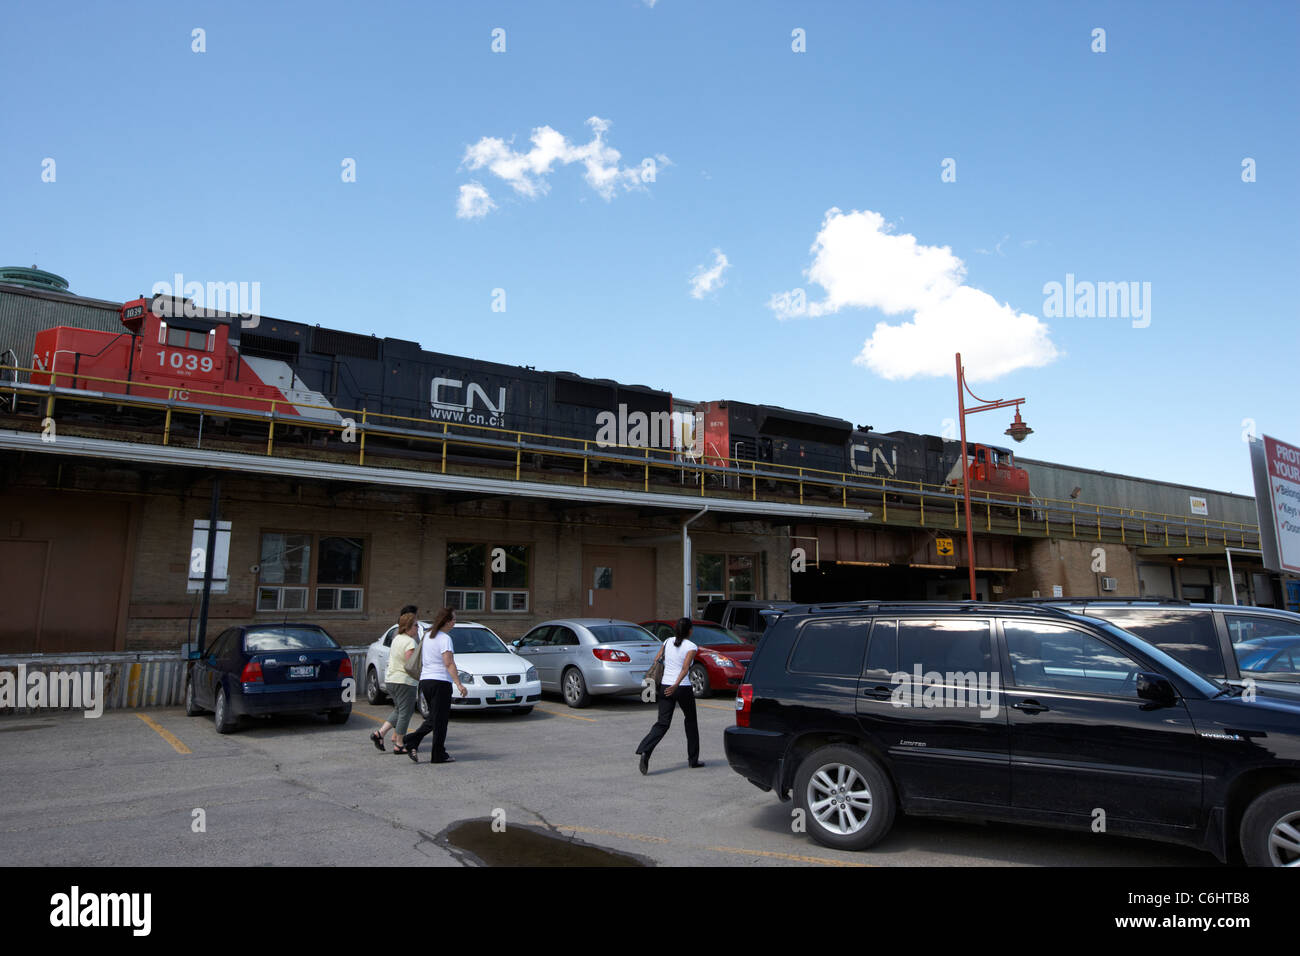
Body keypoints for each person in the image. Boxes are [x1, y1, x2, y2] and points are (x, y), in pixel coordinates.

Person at [635, 617, 703, 774]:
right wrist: (676, 685)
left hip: (665, 685)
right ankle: (693, 760)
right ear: (690, 631)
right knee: (691, 722)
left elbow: (657, 659)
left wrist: (670, 683)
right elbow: (685, 669)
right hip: (682, 687)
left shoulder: (667, 642)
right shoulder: (691, 646)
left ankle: (645, 750)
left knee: (662, 723)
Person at [402, 606, 467, 763]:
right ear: (447, 621)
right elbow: (448, 663)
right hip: (440, 683)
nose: (454, 623)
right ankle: (433, 751)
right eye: (454, 620)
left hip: (426, 682)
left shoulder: (428, 636)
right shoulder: (445, 639)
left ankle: (421, 744)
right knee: (440, 720)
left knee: (434, 719)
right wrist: (459, 684)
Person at [372, 611, 419, 754]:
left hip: (391, 679)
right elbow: (410, 663)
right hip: (404, 681)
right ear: (409, 626)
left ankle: (379, 733)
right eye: (416, 625)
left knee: (399, 710)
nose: (417, 628)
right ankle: (399, 744)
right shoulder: (410, 641)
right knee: (406, 712)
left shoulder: (397, 638)